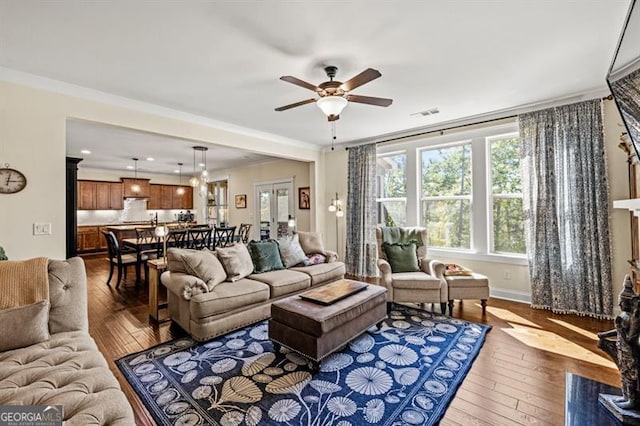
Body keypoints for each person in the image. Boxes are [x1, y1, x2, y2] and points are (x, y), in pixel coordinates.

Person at [598, 275, 640, 410]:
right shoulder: (623, 317)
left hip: (628, 352)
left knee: (629, 375)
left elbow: (629, 337)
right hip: (621, 349)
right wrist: (604, 335)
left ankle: (631, 400)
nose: (619, 304)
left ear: (625, 303)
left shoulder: (629, 319)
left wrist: (621, 330)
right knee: (623, 373)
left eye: (620, 301)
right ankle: (625, 396)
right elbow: (617, 330)